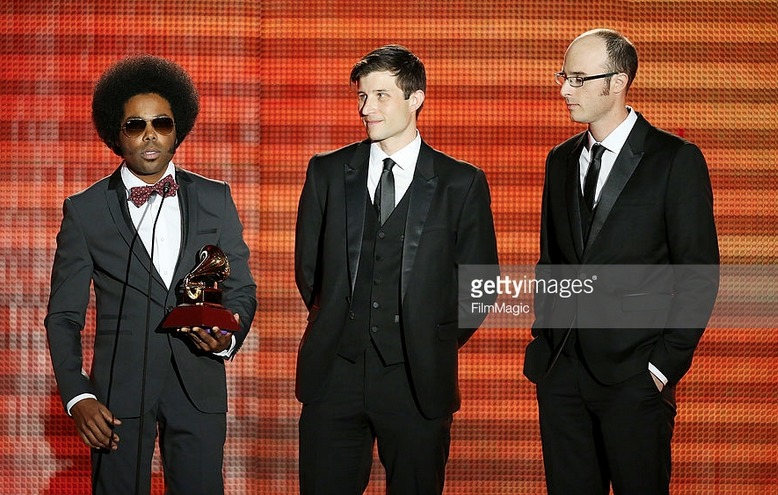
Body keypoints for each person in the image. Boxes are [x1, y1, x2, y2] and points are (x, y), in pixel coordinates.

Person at [45, 55, 257, 495]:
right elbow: (63, 317)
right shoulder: (84, 211)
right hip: (115, 400)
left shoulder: (216, 198)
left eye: (161, 123)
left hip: (198, 386)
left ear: (178, 129)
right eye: (135, 125)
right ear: (115, 133)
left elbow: (241, 289)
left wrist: (228, 336)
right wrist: (78, 395)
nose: (149, 135)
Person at [294, 44, 499, 494]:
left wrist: (432, 336)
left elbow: (482, 286)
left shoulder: (460, 182)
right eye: (363, 96)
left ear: (415, 98)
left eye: (381, 95)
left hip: (417, 379)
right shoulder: (327, 172)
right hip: (334, 376)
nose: (367, 108)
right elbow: (308, 270)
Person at [523, 29, 720, 494]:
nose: (563, 89)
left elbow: (698, 274)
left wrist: (661, 367)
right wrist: (545, 345)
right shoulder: (560, 160)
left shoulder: (675, 160)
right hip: (562, 375)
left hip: (635, 377)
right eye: (562, 77)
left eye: (577, 78)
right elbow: (551, 263)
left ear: (617, 82)